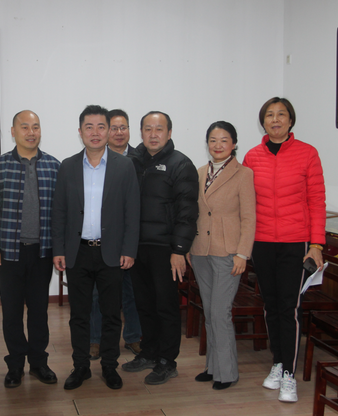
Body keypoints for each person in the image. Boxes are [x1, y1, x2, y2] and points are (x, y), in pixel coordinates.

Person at [243, 97, 326, 403]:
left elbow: (317, 201)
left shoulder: (307, 153)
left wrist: (316, 245)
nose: (275, 120)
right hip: (262, 242)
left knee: (289, 308)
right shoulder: (252, 156)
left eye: (281, 115)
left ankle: (289, 375)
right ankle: (278, 362)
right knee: (271, 305)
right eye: (269, 115)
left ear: (290, 120)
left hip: (296, 243)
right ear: (263, 122)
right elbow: (245, 203)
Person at [52, 105, 140, 391]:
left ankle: (110, 366)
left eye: (101, 127)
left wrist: (129, 249)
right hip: (77, 252)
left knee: (112, 313)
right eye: (89, 127)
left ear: (109, 131)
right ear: (80, 132)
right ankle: (80, 367)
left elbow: (132, 211)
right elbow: (59, 211)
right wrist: (58, 249)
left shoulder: (124, 166)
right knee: (79, 314)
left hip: (111, 252)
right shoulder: (68, 166)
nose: (95, 132)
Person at [123, 111, 198, 385]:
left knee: (166, 306)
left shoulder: (181, 164)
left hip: (165, 249)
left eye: (159, 129)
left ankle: (167, 360)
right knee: (144, 304)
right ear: (141, 132)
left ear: (169, 133)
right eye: (148, 129)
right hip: (136, 246)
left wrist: (179, 249)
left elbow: (187, 212)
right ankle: (149, 352)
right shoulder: (132, 162)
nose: (153, 134)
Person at [0, 110, 60, 388]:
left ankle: (39, 363)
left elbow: (61, 212)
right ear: (13, 131)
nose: (31, 132)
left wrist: (59, 249)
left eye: (36, 127)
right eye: (25, 127)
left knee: (39, 311)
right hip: (8, 252)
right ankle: (15, 365)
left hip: (42, 252)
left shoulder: (54, 166)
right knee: (11, 313)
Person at [187, 121, 256, 390]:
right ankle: (213, 367)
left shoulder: (244, 174)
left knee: (220, 312)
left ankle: (227, 373)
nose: (218, 145)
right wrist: (189, 248)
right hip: (200, 250)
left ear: (234, 144)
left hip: (228, 252)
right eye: (213, 140)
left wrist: (242, 254)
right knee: (209, 311)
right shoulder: (199, 172)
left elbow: (249, 217)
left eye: (224, 140)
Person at [89, 109, 142, 359]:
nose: (119, 133)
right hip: (102, 240)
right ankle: (96, 340)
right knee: (97, 295)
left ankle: (133, 337)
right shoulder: (96, 159)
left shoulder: (140, 159)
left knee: (132, 292)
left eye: (124, 127)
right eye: (114, 128)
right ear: (106, 131)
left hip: (131, 238)